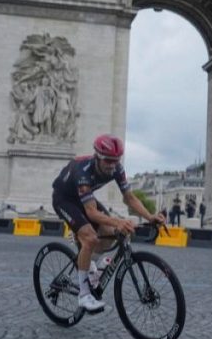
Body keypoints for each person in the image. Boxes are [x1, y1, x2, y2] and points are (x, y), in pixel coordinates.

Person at [51, 134, 165, 313]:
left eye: (115, 160)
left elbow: (129, 197)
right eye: (108, 161)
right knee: (90, 238)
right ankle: (84, 295)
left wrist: (150, 217)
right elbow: (91, 212)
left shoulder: (117, 168)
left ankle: (87, 258)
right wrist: (119, 221)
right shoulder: (83, 171)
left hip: (84, 199)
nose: (112, 165)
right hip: (64, 199)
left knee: (112, 234)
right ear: (97, 157)